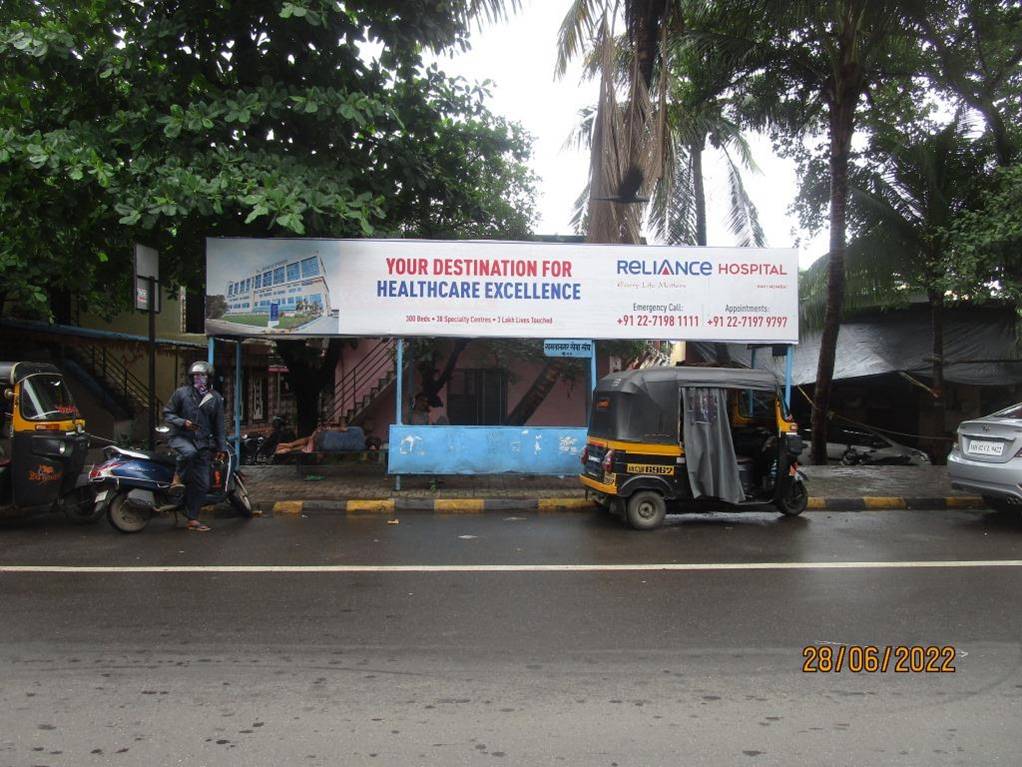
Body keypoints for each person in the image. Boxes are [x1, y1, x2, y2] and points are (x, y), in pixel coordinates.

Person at [163, 361, 228, 532]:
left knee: (203, 485)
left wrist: (221, 448)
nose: (199, 379)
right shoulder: (181, 394)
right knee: (189, 452)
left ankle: (192, 518)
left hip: (203, 444)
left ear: (209, 378)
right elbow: (167, 413)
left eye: (202, 376)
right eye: (195, 376)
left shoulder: (215, 399)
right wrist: (182, 422)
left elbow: (219, 426)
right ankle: (177, 479)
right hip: (180, 438)